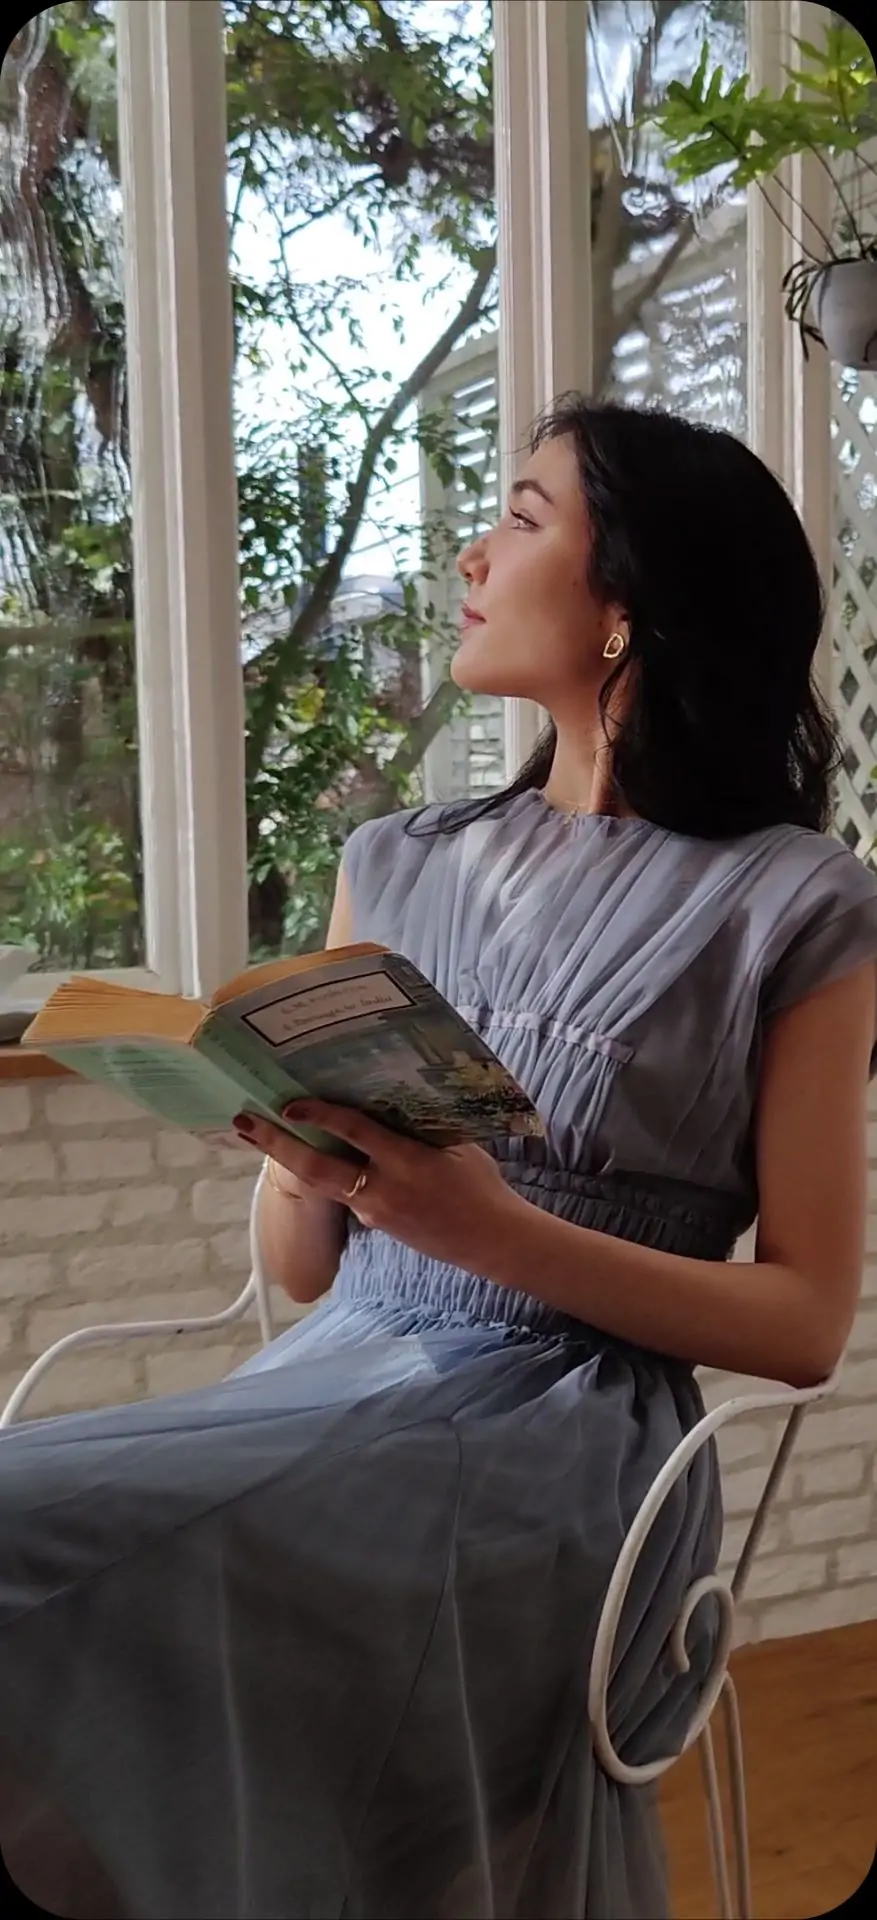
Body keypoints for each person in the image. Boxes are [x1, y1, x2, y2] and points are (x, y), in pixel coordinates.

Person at [1, 397, 876, 1920]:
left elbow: (804, 1324)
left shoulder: (799, 904)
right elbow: (302, 1272)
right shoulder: (396, 859)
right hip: (336, 1377)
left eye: (523, 519)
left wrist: (487, 1232)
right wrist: (297, 1147)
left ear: (629, 602)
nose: (470, 554)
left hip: (566, 1455)